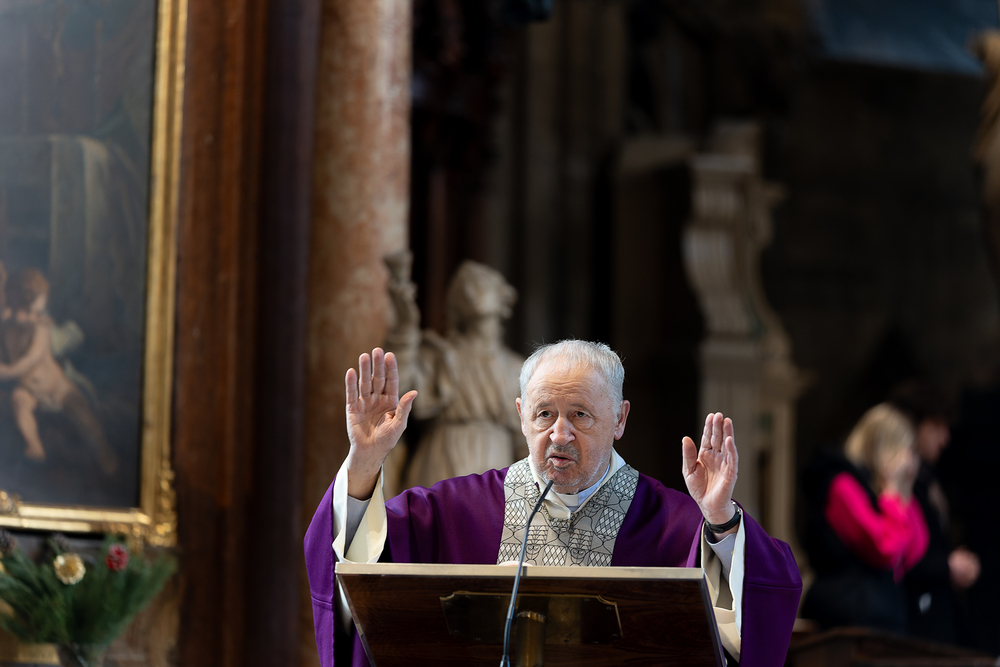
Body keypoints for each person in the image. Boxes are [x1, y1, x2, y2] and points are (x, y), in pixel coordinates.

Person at [305, 341, 802, 667]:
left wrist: (720, 519)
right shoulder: (456, 511)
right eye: (544, 414)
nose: (559, 434)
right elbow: (354, 571)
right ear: (521, 415)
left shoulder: (675, 524)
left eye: (580, 415)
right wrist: (364, 463)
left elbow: (762, 601)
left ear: (620, 419)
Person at [801, 403, 929, 633]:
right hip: (849, 616)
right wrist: (892, 493)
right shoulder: (843, 485)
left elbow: (914, 550)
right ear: (884, 447)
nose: (908, 462)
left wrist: (906, 489)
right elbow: (884, 550)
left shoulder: (878, 489)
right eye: (903, 450)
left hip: (880, 613)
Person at [0, 268, 116, 473]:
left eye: (39, 313)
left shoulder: (41, 329)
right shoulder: (7, 326)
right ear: (14, 306)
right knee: (19, 401)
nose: (35, 317)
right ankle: (35, 446)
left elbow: (31, 359)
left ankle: (103, 452)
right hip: (29, 391)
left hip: (57, 388)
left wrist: (7, 371)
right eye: (29, 312)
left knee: (82, 413)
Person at [889, 384, 980, 645]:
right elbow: (898, 554)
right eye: (937, 426)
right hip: (911, 622)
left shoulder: (927, 478)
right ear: (911, 426)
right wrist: (946, 566)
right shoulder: (897, 483)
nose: (945, 438)